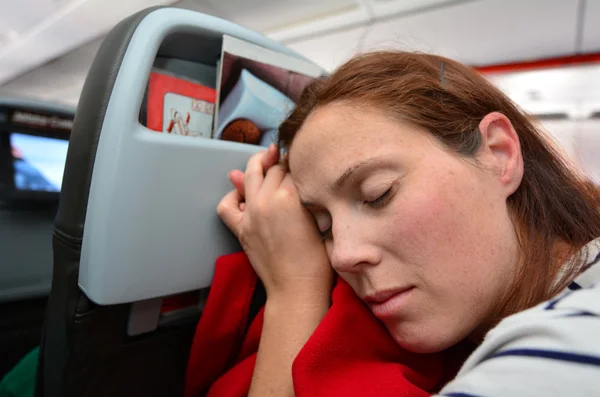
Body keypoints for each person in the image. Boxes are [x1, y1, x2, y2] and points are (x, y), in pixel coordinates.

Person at [217, 51, 600, 397]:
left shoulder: (568, 344)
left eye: (377, 194)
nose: (343, 256)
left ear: (499, 154)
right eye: (323, 226)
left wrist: (294, 292)